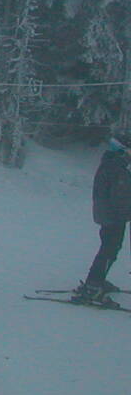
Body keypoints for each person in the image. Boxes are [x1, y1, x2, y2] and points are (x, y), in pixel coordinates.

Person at [73, 129, 131, 305]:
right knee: (110, 249)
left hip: (109, 214)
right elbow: (120, 197)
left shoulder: (113, 164)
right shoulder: (117, 168)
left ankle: (97, 280)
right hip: (113, 216)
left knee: (110, 248)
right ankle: (93, 285)